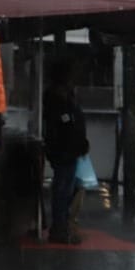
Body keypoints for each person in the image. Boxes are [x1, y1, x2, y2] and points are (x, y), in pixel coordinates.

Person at [43, 60, 89, 245]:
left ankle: (62, 225)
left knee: (67, 187)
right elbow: (62, 125)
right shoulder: (58, 98)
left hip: (69, 149)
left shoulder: (62, 96)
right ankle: (60, 227)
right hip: (65, 150)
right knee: (63, 188)